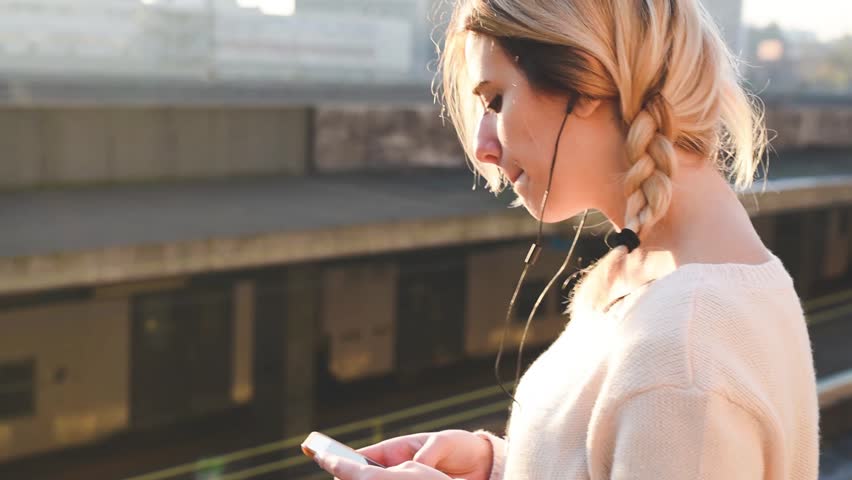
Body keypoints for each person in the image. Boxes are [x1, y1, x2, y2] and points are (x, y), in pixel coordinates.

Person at [309, 0, 820, 478]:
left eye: (495, 99)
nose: (484, 148)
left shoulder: (684, 355)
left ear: (585, 78)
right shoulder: (693, 297)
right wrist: (501, 465)